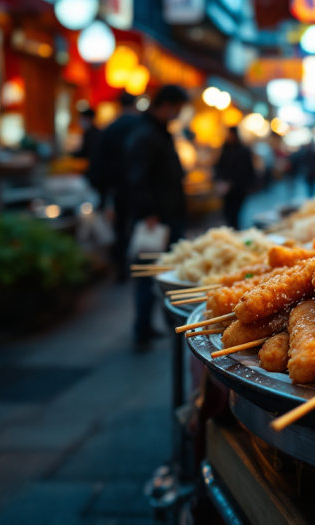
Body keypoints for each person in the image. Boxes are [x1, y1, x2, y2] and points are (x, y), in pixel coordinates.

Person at [125, 85, 190, 346]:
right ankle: (143, 329)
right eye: (177, 109)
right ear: (167, 105)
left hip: (168, 215)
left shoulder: (159, 133)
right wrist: (148, 212)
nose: (178, 114)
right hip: (157, 219)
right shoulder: (146, 135)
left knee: (160, 273)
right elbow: (134, 178)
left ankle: (155, 325)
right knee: (150, 274)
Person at [88, 92, 142, 282]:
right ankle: (139, 267)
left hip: (118, 187)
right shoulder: (141, 125)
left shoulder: (110, 129)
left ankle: (121, 268)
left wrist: (103, 194)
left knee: (120, 226)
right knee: (138, 225)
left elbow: (99, 163)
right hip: (139, 187)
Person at [215, 127, 256, 229]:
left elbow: (249, 169)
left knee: (237, 211)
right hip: (227, 189)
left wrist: (249, 184)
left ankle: (235, 229)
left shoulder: (244, 150)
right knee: (227, 212)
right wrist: (220, 181)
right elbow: (219, 167)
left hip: (239, 188)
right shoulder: (225, 149)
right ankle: (231, 229)